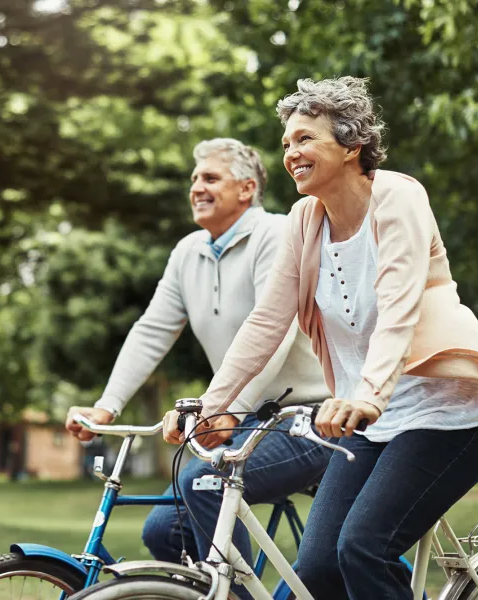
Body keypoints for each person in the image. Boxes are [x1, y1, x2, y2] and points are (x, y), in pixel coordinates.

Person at [164, 77, 478, 600]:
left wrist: (367, 396)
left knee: (363, 547)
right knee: (318, 568)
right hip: (369, 424)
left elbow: (399, 304)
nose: (291, 153)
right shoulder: (305, 221)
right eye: (286, 143)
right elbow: (267, 322)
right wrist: (212, 406)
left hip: (447, 414)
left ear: (352, 146)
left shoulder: (399, 197)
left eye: (305, 138)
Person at [65, 138, 331, 583]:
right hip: (246, 418)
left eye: (210, 178)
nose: (196, 188)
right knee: (164, 529)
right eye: (194, 180)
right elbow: (152, 331)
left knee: (201, 483)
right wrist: (107, 405)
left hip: (310, 416)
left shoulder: (277, 234)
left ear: (246, 189)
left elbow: (276, 331)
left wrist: (226, 409)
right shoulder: (188, 252)